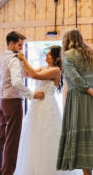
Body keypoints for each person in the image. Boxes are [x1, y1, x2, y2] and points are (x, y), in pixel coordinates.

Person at [0, 31, 44, 175]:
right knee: (12, 140)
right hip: (13, 101)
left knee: (1, 138)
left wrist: (41, 70)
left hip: (1, 100)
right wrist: (31, 94)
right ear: (11, 43)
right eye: (19, 45)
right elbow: (16, 82)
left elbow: (22, 74)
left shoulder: (1, 58)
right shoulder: (14, 59)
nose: (21, 48)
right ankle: (7, 172)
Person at [15, 45, 64, 175]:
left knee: (46, 138)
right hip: (36, 106)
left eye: (49, 54)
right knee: (34, 137)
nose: (46, 56)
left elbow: (35, 75)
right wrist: (19, 61)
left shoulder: (56, 70)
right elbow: (27, 74)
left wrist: (24, 59)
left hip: (47, 107)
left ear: (57, 58)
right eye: (46, 54)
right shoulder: (44, 67)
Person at [56, 28, 93, 175]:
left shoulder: (67, 55)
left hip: (80, 100)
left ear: (66, 40)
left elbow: (75, 78)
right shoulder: (92, 54)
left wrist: (89, 90)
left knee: (83, 141)